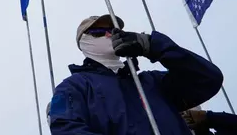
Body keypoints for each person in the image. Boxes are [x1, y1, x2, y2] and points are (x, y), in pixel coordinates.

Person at [48, 14, 224, 134]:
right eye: (100, 32)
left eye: (114, 30)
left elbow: (208, 79)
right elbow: (65, 128)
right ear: (84, 42)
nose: (111, 35)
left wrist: (152, 45)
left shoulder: (152, 82)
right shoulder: (73, 87)